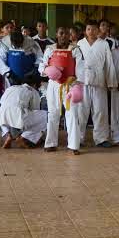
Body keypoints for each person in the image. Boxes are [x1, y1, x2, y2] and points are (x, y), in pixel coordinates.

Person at [39, 26, 82, 154]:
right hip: (54, 85)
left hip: (70, 84)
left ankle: (73, 146)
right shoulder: (50, 49)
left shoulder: (75, 50)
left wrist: (78, 85)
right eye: (61, 33)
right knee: (52, 113)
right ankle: (50, 143)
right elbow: (42, 66)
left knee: (72, 114)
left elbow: (81, 68)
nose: (64, 36)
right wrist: (47, 70)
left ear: (70, 36)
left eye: (67, 33)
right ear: (56, 35)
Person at [76, 20, 118, 148]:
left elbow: (109, 63)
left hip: (99, 81)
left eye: (94, 29)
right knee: (81, 111)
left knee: (100, 110)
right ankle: (78, 138)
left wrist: (111, 81)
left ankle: (101, 138)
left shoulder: (104, 44)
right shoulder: (80, 43)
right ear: (85, 31)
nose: (91, 32)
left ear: (98, 31)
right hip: (82, 80)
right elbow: (75, 62)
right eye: (89, 29)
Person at [0, 73, 47, 149]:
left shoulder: (11, 88)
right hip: (18, 115)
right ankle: (23, 137)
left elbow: (3, 103)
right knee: (46, 116)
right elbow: (35, 110)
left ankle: (8, 135)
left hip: (0, 115)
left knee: (5, 114)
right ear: (35, 84)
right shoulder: (33, 91)